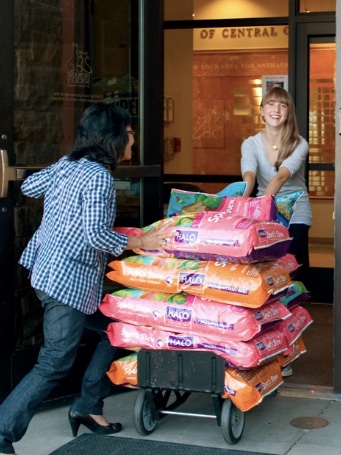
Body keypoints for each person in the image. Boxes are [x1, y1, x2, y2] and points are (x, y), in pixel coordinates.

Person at [0, 103, 172, 455]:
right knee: (55, 362)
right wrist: (140, 242)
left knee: (116, 326)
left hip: (50, 272)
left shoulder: (69, 165)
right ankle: (3, 431)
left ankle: (88, 406)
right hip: (66, 281)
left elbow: (31, 186)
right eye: (129, 131)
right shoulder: (98, 177)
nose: (133, 138)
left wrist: (63, 187)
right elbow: (96, 234)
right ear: (112, 138)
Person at [240, 86, 312, 378]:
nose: (276, 110)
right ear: (261, 110)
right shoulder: (250, 143)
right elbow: (249, 173)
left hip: (294, 213)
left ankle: (288, 349)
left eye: (282, 106)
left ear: (288, 112)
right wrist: (243, 201)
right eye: (271, 105)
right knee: (266, 283)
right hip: (263, 214)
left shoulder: (299, 142)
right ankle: (266, 346)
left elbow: (282, 175)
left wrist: (261, 203)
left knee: (289, 280)